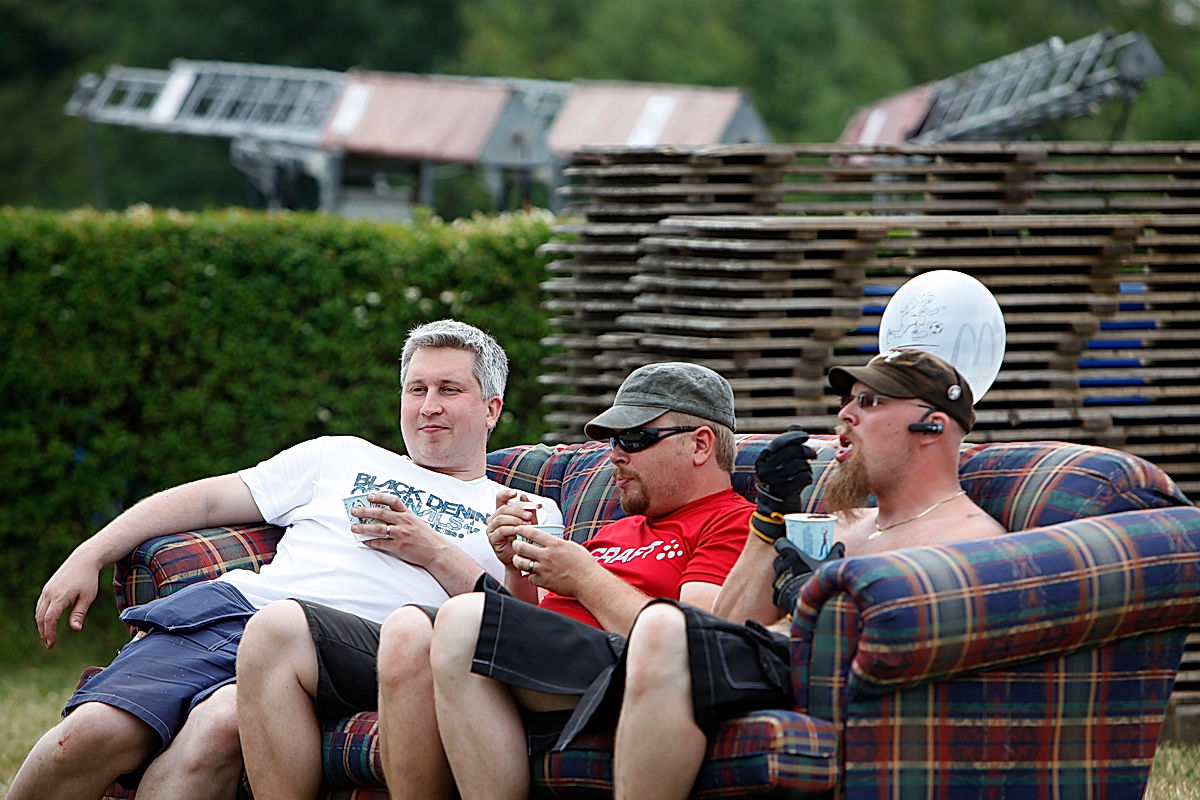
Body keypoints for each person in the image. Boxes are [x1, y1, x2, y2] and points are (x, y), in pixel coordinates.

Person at [7, 319, 560, 800]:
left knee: (217, 728)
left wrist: (430, 549)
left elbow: (511, 632)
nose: (428, 405)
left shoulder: (521, 509)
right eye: (416, 388)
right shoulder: (338, 456)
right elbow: (205, 499)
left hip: (354, 652)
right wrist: (92, 552)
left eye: (449, 389)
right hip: (234, 614)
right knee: (86, 737)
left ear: (492, 408)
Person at [606, 348, 1007, 799]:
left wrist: (819, 601)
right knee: (664, 629)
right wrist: (771, 515)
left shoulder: (971, 539)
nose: (846, 415)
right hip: (772, 668)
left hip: (837, 692)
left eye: (870, 402)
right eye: (848, 400)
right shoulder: (837, 523)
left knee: (661, 625)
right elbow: (727, 626)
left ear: (932, 426)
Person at [390, 361, 753, 800]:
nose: (616, 455)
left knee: (465, 618)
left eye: (635, 439)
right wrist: (514, 567)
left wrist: (584, 576)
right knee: (408, 628)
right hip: (561, 664)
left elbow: (695, 642)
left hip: (628, 667)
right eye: (615, 441)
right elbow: (539, 622)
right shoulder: (620, 529)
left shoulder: (734, 522)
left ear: (699, 445)